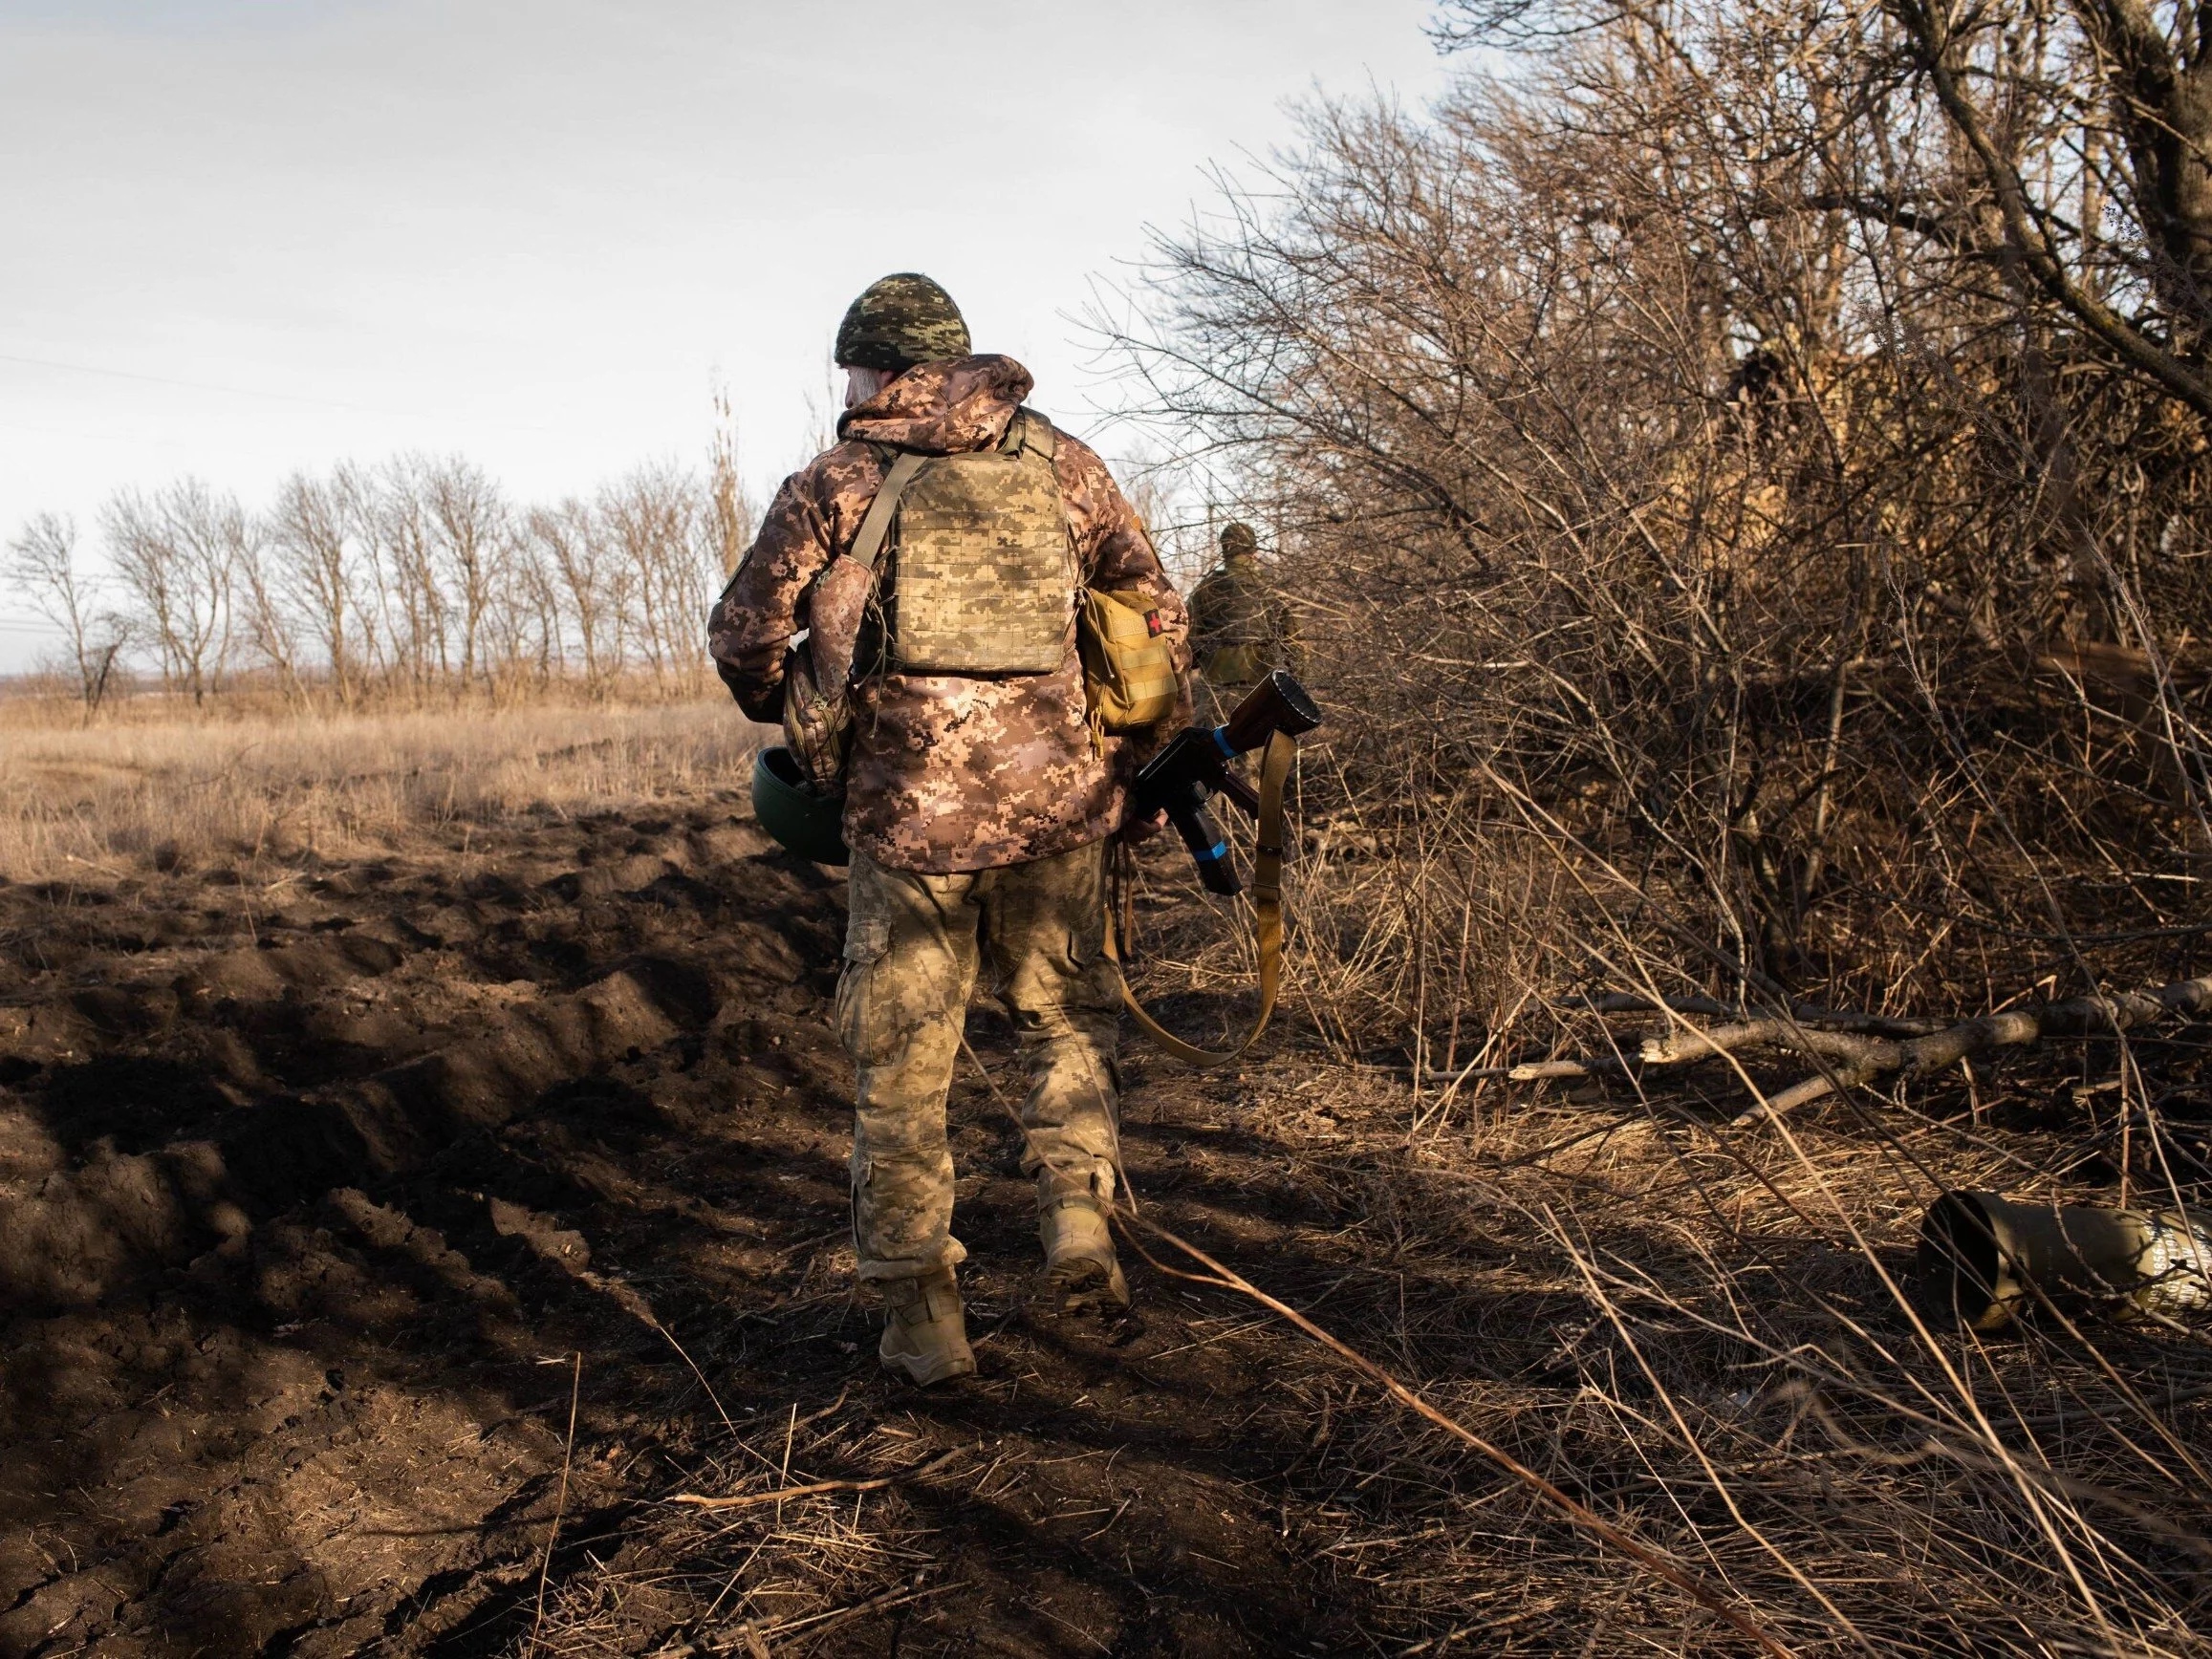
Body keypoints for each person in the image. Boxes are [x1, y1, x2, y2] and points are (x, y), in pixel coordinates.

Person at [707, 273, 1193, 1386]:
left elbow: (743, 636)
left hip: (908, 823)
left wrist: (796, 695)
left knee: (900, 1069)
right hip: (1061, 809)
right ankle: (1077, 1220)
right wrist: (1127, 744)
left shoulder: (837, 480)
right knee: (1063, 1021)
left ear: (873, 367)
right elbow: (1157, 610)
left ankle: (923, 1320)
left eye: (852, 368)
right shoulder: (1063, 462)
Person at [1188, 521, 1298, 695]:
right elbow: (1293, 642)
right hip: (1263, 687)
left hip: (1216, 690)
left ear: (1224, 550)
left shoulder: (1206, 588)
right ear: (1254, 551)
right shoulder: (1271, 587)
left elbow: (1189, 643)